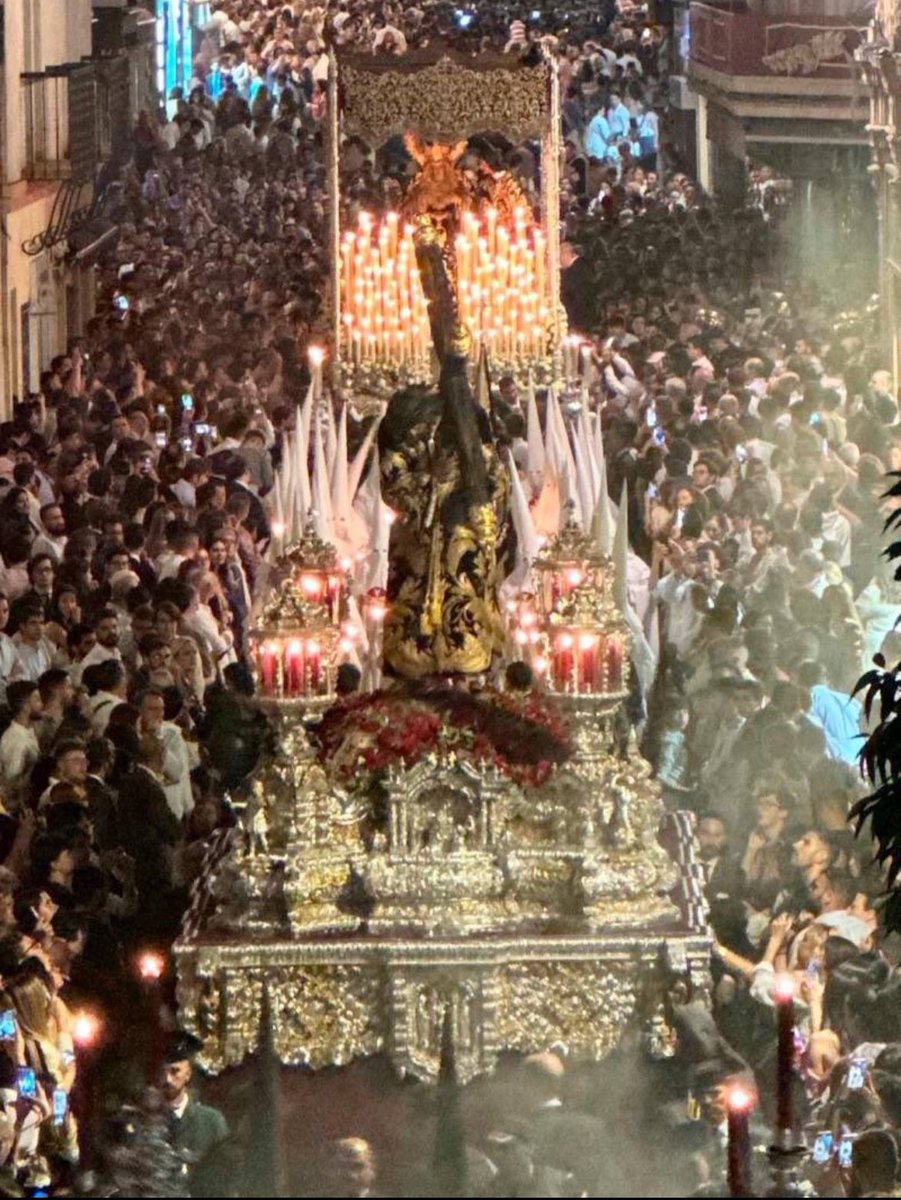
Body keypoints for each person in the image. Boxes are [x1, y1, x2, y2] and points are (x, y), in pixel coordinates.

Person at [160, 1032, 229, 1184]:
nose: (167, 1079)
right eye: (162, 1072)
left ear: (188, 1074)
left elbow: (226, 1177)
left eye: (175, 1071)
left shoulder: (211, 1122)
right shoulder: (146, 1122)